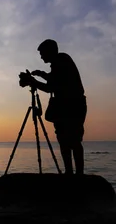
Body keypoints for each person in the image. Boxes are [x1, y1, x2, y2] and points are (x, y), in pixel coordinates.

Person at [26, 39, 87, 174]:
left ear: (50, 51)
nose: (41, 56)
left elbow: (51, 87)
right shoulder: (59, 62)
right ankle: (70, 173)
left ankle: (79, 175)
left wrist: (34, 82)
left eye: (42, 53)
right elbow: (54, 79)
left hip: (73, 105)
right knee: (63, 139)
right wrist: (41, 75)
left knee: (73, 140)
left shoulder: (61, 61)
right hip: (65, 105)